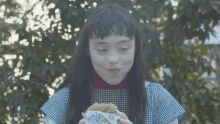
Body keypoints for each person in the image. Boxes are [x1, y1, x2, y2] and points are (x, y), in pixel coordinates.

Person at [40, 3, 186, 124]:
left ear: (136, 49)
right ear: (88, 51)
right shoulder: (65, 99)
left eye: (123, 48)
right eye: (102, 49)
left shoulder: (157, 98)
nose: (113, 59)